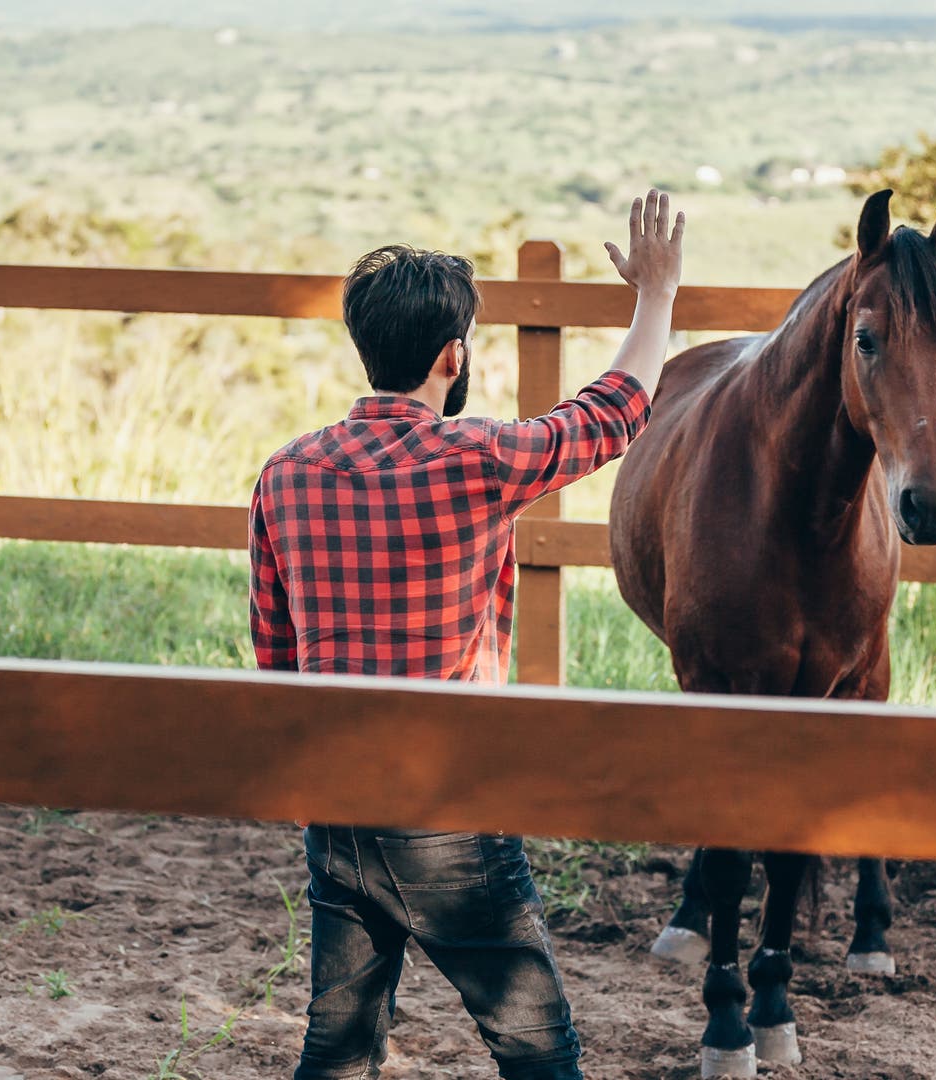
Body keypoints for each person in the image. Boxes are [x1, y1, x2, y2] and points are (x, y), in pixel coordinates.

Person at [248, 190, 685, 1080]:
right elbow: (613, 410)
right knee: (538, 1049)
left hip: (338, 807)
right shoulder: (478, 458)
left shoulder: (284, 474)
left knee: (337, 1049)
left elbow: (276, 656)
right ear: (454, 355)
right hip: (449, 809)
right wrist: (657, 295)